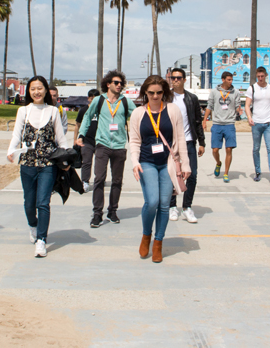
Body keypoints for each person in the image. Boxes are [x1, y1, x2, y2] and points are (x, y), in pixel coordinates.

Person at [7, 76, 72, 258]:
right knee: (29, 203)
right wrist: (11, 150)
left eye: (40, 88)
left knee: (43, 203)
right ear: (29, 91)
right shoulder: (23, 111)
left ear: (45, 90)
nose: (36, 92)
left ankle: (42, 240)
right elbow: (16, 135)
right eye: (33, 89)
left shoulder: (53, 111)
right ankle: (33, 226)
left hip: (48, 164)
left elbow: (61, 138)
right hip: (27, 164)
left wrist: (66, 159)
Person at [129, 75, 192, 263]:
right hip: (146, 162)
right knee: (152, 201)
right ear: (145, 93)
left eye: (159, 92)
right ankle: (146, 235)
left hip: (168, 163)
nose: (155, 96)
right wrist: (135, 162)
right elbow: (134, 140)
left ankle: (158, 242)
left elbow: (181, 138)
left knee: (165, 204)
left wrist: (186, 164)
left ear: (164, 92)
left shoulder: (172, 110)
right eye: (151, 93)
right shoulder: (138, 113)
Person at [77, 70, 134, 228]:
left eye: (121, 83)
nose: (119, 85)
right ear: (108, 84)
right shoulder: (99, 100)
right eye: (116, 83)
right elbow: (88, 117)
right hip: (102, 145)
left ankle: (112, 211)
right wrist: (81, 134)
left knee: (117, 181)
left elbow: (137, 116)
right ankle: (97, 213)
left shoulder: (125, 101)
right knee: (99, 179)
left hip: (119, 146)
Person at [167, 68, 205, 223]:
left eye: (179, 78)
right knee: (171, 175)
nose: (176, 80)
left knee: (192, 175)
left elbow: (197, 122)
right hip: (170, 143)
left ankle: (187, 207)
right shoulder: (165, 97)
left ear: (184, 80)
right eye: (173, 78)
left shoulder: (192, 98)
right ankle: (171, 206)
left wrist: (202, 142)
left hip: (189, 141)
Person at [203, 71, 242, 183]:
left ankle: (226, 173)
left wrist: (239, 111)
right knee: (215, 149)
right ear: (223, 79)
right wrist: (204, 120)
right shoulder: (215, 92)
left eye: (231, 80)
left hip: (229, 124)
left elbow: (236, 106)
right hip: (217, 123)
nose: (230, 82)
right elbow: (209, 106)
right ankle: (218, 163)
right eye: (228, 80)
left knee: (229, 149)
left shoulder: (235, 92)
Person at [245, 66, 270, 185]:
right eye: (258, 76)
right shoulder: (252, 89)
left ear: (265, 75)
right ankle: (258, 171)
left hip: (269, 122)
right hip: (256, 123)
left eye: (262, 76)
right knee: (256, 148)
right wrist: (249, 117)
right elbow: (247, 105)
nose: (260, 78)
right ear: (256, 76)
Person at [74, 88, 101, 192]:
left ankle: (99, 181)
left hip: (99, 140)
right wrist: (76, 139)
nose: (93, 100)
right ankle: (85, 181)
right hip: (86, 141)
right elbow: (77, 125)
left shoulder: (101, 110)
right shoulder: (84, 110)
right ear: (88, 98)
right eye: (91, 98)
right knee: (86, 162)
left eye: (96, 98)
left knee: (100, 163)